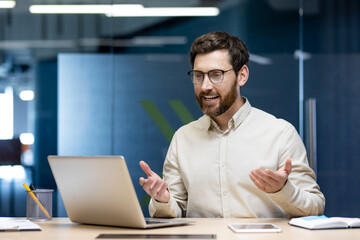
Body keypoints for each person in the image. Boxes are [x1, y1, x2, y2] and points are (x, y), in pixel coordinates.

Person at [139, 31, 325, 218]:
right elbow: (174, 212)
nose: (205, 86)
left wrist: (284, 190)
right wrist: (163, 200)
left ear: (242, 76)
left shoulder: (280, 134)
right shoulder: (183, 138)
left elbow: (315, 207)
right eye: (198, 76)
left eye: (216, 75)